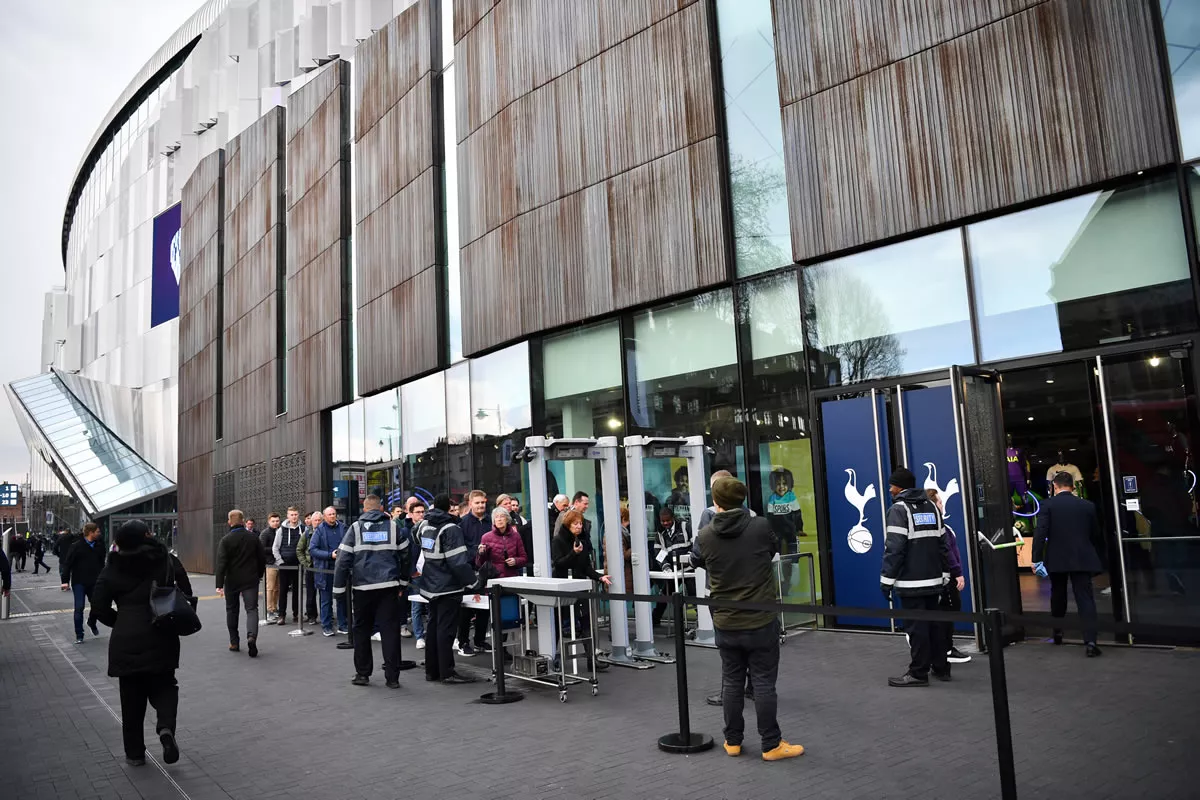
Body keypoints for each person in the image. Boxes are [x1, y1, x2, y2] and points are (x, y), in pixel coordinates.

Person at [690, 476, 803, 761]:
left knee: (731, 682)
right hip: (760, 619)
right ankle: (771, 744)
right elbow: (773, 549)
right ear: (742, 500)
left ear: (716, 502)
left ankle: (733, 742)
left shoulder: (705, 535)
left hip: (725, 620)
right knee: (763, 682)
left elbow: (696, 559)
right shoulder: (761, 526)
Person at [89, 520, 191, 767]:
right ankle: (165, 728)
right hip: (162, 632)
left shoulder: (113, 567)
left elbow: (98, 606)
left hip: (126, 639)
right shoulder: (164, 560)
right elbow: (184, 588)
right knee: (166, 685)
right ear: (147, 536)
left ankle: (135, 753)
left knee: (131, 697)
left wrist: (120, 620)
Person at [881, 466, 952, 687]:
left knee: (917, 628)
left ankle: (918, 673)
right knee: (935, 626)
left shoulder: (899, 510)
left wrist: (886, 580)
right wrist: (945, 573)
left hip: (911, 583)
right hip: (934, 580)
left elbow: (894, 549)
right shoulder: (931, 507)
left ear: (899, 487)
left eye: (892, 485)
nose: (890, 489)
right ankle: (941, 668)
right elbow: (943, 545)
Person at [334, 494, 412, 688]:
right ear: (381, 508)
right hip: (388, 587)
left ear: (365, 508)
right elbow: (406, 557)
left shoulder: (355, 528)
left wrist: (338, 589)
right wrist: (403, 583)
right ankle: (392, 678)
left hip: (362, 588)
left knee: (361, 630)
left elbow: (342, 560)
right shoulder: (393, 527)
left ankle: (363, 674)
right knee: (390, 631)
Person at [1033, 471, 1105, 657]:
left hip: (1057, 557)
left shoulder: (1047, 505)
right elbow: (1095, 533)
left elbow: (1041, 532)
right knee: (1085, 598)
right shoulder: (1087, 506)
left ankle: (1058, 632)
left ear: (1054, 486)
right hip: (1082, 556)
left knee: (1058, 594)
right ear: (1072, 486)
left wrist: (1036, 558)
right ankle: (1091, 641)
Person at [417, 494, 479, 684]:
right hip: (448, 587)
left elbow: (415, 538)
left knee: (433, 627)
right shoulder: (451, 528)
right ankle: (447, 672)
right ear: (448, 508)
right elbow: (458, 562)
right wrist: (473, 583)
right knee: (446, 630)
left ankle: (432, 671)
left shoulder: (424, 525)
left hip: (431, 584)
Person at [551, 509, 612, 672]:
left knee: (586, 621)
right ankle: (553, 658)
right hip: (563, 586)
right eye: (575, 524)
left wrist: (599, 577)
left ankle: (592, 660)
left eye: (580, 524)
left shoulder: (583, 540)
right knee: (558, 623)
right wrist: (574, 553)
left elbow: (586, 567)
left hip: (580, 586)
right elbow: (559, 563)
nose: (579, 526)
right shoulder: (558, 540)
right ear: (568, 525)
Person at [926, 489, 971, 664]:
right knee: (949, 611)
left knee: (948, 611)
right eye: (939, 502)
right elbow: (948, 553)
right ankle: (946, 649)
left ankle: (944, 647)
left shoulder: (941, 526)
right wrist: (957, 573)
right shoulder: (939, 528)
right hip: (945, 577)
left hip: (942, 576)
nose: (942, 505)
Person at [215, 509, 266, 656]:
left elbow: (221, 564)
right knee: (252, 609)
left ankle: (234, 642)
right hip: (250, 579)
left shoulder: (225, 540)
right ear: (243, 521)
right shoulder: (253, 538)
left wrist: (219, 584)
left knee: (232, 610)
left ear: (229, 522)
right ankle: (251, 637)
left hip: (232, 580)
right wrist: (259, 574)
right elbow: (261, 558)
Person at [456, 489, 491, 656]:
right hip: (469, 571)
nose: (481, 505)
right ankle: (463, 642)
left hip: (487, 571)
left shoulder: (491, 521)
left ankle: (480, 640)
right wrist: (476, 551)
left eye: (483, 502)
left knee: (484, 608)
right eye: (477, 503)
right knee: (466, 609)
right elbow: (460, 548)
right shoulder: (462, 524)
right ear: (470, 504)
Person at [61, 522, 106, 644]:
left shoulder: (100, 546)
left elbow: (102, 564)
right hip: (79, 581)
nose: (99, 534)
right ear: (91, 533)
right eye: (97, 532)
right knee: (79, 607)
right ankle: (79, 634)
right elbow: (67, 564)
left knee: (97, 606)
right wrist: (65, 581)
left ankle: (92, 622)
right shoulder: (76, 546)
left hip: (95, 582)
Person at [652, 507, 694, 627]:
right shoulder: (660, 534)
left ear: (673, 518)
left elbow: (695, 545)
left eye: (668, 520)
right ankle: (654, 621)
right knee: (664, 595)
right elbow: (659, 554)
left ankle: (702, 621)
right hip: (672, 571)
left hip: (689, 569)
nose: (665, 523)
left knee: (693, 594)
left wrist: (689, 558)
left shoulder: (685, 526)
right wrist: (665, 567)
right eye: (663, 521)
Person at [310, 507, 348, 636]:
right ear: (324, 517)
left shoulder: (343, 528)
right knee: (326, 600)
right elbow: (313, 549)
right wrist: (329, 555)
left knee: (342, 598)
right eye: (329, 514)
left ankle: (343, 625)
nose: (332, 516)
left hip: (341, 569)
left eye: (334, 514)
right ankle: (326, 626)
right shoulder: (319, 530)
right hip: (325, 569)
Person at [272, 507, 304, 625]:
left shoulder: (304, 529)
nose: (294, 517)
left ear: (298, 515)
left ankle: (296, 614)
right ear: (288, 516)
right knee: (283, 591)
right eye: (291, 514)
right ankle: (282, 615)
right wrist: (280, 561)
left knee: (297, 591)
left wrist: (303, 561)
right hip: (284, 565)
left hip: (298, 565)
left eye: (295, 514)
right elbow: (275, 547)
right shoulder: (281, 530)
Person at [477, 507, 528, 579]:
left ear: (507, 519)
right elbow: (480, 563)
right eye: (496, 517)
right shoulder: (486, 537)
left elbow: (524, 558)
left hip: (512, 577)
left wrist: (515, 561)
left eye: (502, 516)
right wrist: (481, 553)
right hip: (494, 577)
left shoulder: (516, 536)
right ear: (494, 521)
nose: (499, 519)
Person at [406, 500, 428, 649]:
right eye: (417, 512)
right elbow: (405, 554)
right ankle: (419, 636)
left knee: (431, 606)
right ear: (411, 514)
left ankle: (429, 633)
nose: (421, 514)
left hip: (430, 573)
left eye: (422, 512)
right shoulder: (406, 531)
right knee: (417, 606)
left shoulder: (429, 528)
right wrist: (412, 571)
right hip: (416, 574)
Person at [298, 512, 319, 624]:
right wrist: (305, 563)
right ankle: (311, 615)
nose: (317, 522)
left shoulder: (325, 532)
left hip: (323, 566)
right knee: (310, 593)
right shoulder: (307, 534)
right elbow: (299, 550)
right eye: (315, 520)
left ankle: (327, 615)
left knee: (325, 594)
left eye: (319, 520)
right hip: (310, 567)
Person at [260, 513, 282, 623]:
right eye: (273, 521)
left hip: (280, 563)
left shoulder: (281, 531)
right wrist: (275, 549)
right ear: (269, 521)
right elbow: (261, 548)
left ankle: (275, 608)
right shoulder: (265, 533)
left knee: (277, 588)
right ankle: (269, 610)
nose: (275, 523)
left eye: (277, 521)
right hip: (270, 564)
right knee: (270, 588)